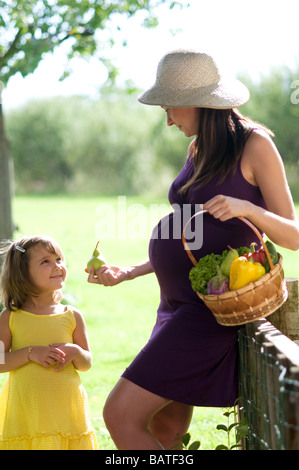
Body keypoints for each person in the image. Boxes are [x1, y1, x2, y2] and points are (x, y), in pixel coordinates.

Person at [87, 49, 299, 450]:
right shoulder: (198, 150)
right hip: (173, 305)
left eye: (171, 109)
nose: (168, 120)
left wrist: (248, 208)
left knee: (118, 414)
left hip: (208, 313)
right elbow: (193, 237)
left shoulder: (255, 146)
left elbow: (293, 236)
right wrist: (130, 271)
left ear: (200, 104)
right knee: (165, 432)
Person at [0, 235, 99, 450]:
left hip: (66, 414)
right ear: (22, 273)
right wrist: (29, 353)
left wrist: (75, 352)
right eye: (45, 261)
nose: (57, 266)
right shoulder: (10, 317)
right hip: (27, 415)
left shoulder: (72, 316)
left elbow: (86, 363)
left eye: (59, 259)